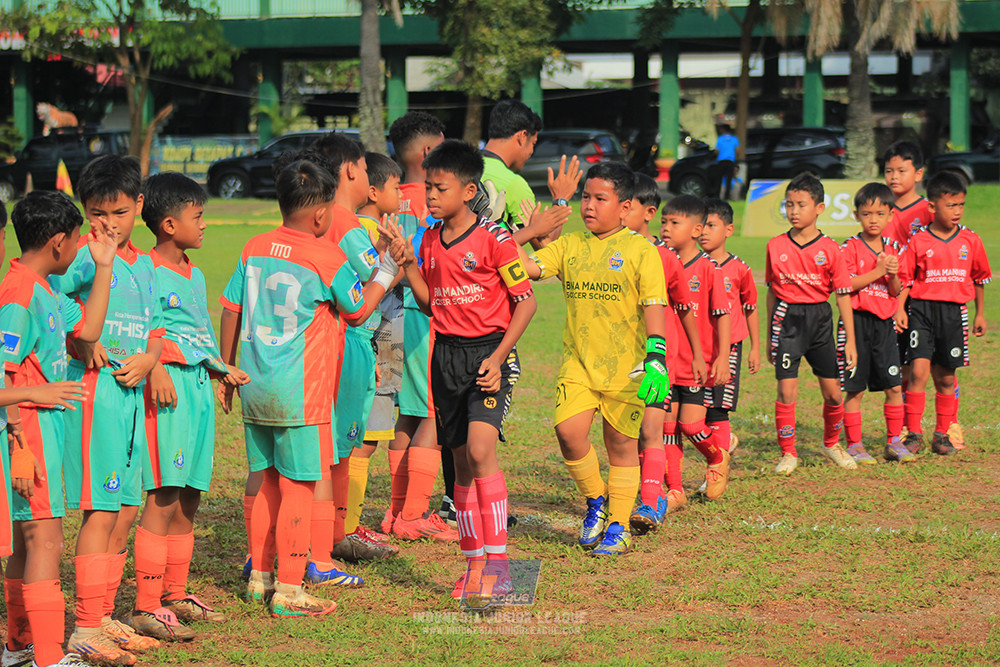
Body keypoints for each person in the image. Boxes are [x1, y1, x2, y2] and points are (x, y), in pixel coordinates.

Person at [219, 159, 404, 617]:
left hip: (255, 384)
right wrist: (385, 271)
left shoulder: (253, 246)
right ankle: (289, 590)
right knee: (300, 485)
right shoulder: (325, 257)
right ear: (322, 215)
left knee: (265, 480)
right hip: (301, 391)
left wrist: (226, 368)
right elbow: (358, 312)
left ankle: (260, 578)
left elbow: (229, 306)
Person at [402, 139, 536, 605]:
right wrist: (406, 265)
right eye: (427, 187)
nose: (430, 196)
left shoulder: (495, 239)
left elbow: (526, 302)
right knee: (459, 463)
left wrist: (498, 360)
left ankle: (499, 567)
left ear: (468, 189)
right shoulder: (428, 238)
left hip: (489, 354)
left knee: (481, 452)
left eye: (440, 188)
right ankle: (473, 562)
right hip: (446, 357)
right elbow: (428, 300)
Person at [517, 161, 668, 557]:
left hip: (627, 368)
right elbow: (525, 268)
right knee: (568, 433)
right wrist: (523, 235)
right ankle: (596, 501)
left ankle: (618, 525)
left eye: (600, 198)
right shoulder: (569, 245)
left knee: (621, 443)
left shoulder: (641, 250)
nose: (589, 206)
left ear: (624, 207)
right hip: (579, 364)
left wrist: (657, 355)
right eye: (586, 197)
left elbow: (655, 304)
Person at [50, 155, 166, 664]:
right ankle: (85, 625)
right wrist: (79, 342)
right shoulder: (80, 257)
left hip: (131, 396)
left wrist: (151, 357)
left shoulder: (144, 264)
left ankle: (104, 614)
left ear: (137, 206)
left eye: (117, 213)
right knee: (100, 508)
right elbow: (52, 306)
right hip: (93, 395)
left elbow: (157, 327)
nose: (106, 224)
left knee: (125, 507)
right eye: (96, 212)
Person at [130, 173, 250, 641]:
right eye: (197, 217)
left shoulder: (195, 275)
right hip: (168, 391)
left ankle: (175, 593)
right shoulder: (143, 270)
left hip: (198, 389)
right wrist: (156, 364)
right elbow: (142, 328)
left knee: (191, 492)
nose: (204, 225)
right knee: (164, 492)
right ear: (167, 223)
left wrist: (221, 370)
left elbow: (198, 332)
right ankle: (145, 603)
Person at [0, 192, 115, 667]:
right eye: (77, 242)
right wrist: (33, 399)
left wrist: (103, 265)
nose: (78, 251)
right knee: (44, 541)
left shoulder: (45, 288)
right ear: (58, 242)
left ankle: (17, 646)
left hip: (38, 430)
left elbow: (87, 331)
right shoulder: (19, 295)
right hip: (26, 432)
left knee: (31, 539)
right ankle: (48, 657)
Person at [382, 112, 458, 542]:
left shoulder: (389, 199)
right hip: (420, 315)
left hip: (386, 317)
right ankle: (414, 515)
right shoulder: (433, 203)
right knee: (430, 411)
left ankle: (395, 514)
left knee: (407, 414)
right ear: (430, 152)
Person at [622, 174, 703, 533]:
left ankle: (652, 501)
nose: (620, 212)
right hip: (614, 360)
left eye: (627, 206)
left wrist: (698, 354)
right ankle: (626, 492)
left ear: (647, 212)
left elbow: (685, 307)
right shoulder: (608, 250)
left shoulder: (665, 258)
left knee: (652, 428)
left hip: (655, 358)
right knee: (624, 433)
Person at [765, 172, 857, 475]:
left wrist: (851, 341)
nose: (793, 211)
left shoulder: (830, 248)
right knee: (786, 392)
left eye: (801, 205)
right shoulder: (775, 246)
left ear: (818, 208)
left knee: (832, 393)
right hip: (788, 321)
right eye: (789, 204)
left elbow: (843, 294)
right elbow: (771, 293)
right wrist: (769, 336)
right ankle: (788, 453)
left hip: (820, 320)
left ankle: (831, 443)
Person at [897, 172, 991, 456]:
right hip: (921, 311)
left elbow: (979, 278)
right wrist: (900, 308)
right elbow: (906, 278)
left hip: (954, 313)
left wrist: (980, 314)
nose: (957, 211)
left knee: (947, 377)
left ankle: (943, 434)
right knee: (918, 372)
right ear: (932, 207)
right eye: (951, 205)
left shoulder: (970, 240)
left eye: (961, 205)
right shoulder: (918, 240)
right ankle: (912, 434)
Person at [657, 196, 732, 506]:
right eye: (664, 221)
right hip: (664, 359)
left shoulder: (708, 268)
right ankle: (675, 489)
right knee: (667, 427)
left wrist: (723, 357)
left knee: (690, 425)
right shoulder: (658, 260)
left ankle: (717, 457)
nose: (666, 228)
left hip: (694, 362)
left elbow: (722, 315)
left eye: (675, 223)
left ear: (695, 229)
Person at [349, 151, 404, 538]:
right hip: (378, 335)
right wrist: (401, 262)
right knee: (366, 438)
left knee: (367, 435)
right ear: (372, 190)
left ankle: (345, 522)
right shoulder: (370, 233)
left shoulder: (354, 227)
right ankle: (346, 526)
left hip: (375, 335)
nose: (400, 193)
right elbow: (378, 278)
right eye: (395, 187)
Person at [838, 183, 910, 464]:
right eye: (867, 213)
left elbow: (895, 289)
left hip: (884, 325)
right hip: (856, 323)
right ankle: (854, 444)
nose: (873, 219)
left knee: (893, 386)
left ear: (890, 215)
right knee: (855, 388)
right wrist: (878, 270)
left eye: (880, 214)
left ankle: (894, 442)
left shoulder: (894, 249)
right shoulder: (850, 247)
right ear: (857, 215)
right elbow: (845, 284)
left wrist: (890, 274)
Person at [698, 198, 759, 460]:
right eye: (701, 225)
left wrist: (756, 347)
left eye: (711, 225)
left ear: (728, 230)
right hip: (697, 347)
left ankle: (716, 468)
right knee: (691, 410)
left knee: (718, 409)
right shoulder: (690, 265)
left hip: (729, 347)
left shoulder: (740, 269)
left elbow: (751, 307)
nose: (703, 231)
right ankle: (724, 443)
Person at [481, 99, 577, 246]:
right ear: (522, 136)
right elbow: (545, 247)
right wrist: (560, 199)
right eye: (533, 143)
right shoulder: (513, 183)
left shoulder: (460, 166)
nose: (531, 152)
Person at [713, 124, 739, 199]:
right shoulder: (734, 139)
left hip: (721, 161)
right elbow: (737, 150)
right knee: (729, 179)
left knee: (719, 179)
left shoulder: (720, 139)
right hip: (730, 161)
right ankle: (727, 196)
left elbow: (716, 150)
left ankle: (717, 195)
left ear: (723, 130)